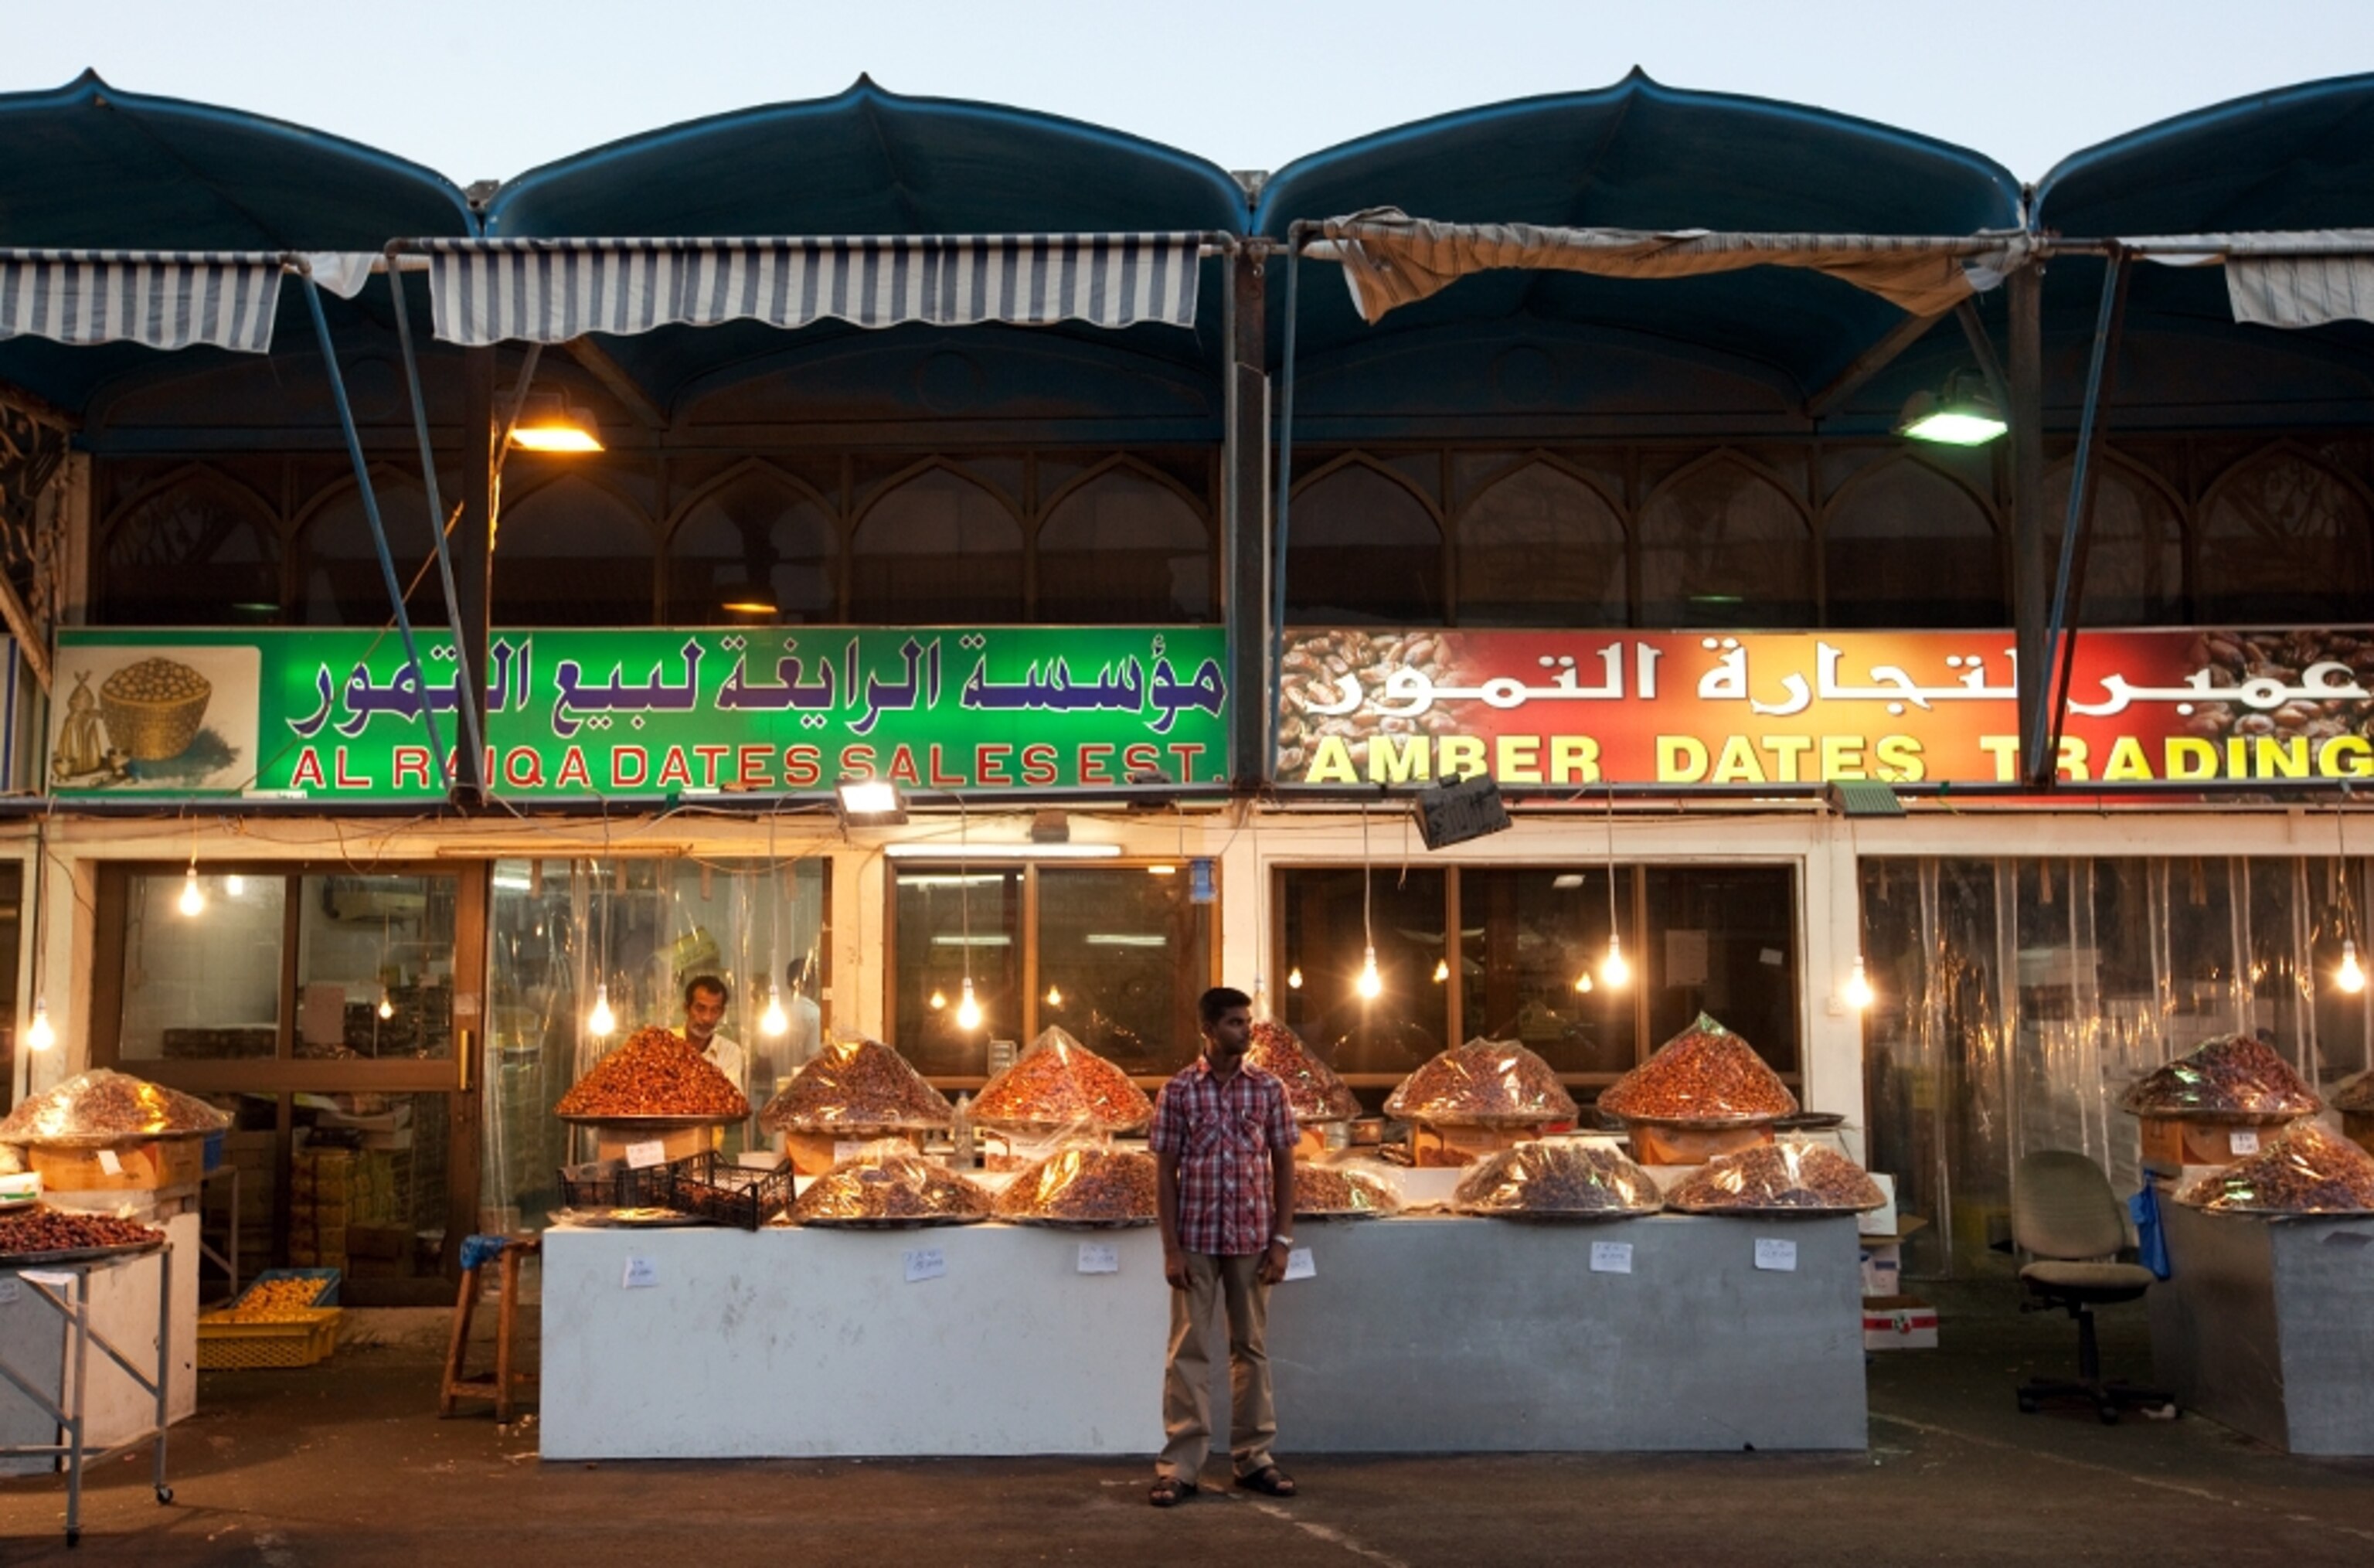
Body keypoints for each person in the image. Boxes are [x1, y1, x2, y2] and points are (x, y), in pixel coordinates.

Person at [1146, 985, 1298, 1508]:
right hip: (1195, 1240)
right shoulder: (1180, 1091)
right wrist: (1170, 1247)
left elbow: (1285, 1165)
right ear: (1208, 1029)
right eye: (1235, 1021)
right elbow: (1164, 1174)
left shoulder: (1269, 1090)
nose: (1246, 1029)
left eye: (1247, 1020)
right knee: (1188, 1351)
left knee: (1250, 1349)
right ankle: (1181, 1464)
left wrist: (1281, 1239)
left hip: (1253, 1241)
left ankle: (1254, 1456)